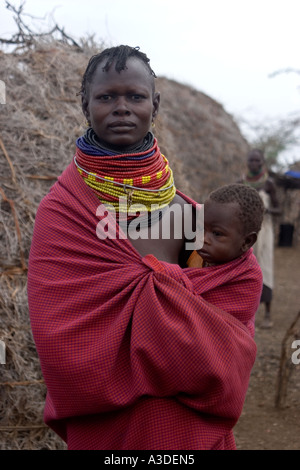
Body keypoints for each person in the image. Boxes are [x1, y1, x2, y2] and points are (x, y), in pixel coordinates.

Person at [27, 45, 257, 451]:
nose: (121, 107)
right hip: (110, 429)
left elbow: (231, 321)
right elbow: (60, 338)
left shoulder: (187, 213)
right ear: (85, 104)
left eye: (135, 96)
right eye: (106, 97)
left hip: (190, 425)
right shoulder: (62, 214)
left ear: (156, 104)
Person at [184, 183, 264, 338]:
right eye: (200, 228)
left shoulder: (248, 278)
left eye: (217, 233)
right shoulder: (196, 254)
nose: (203, 239)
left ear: (247, 241)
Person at [240, 149, 281, 328]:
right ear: (247, 162)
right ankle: (248, 312)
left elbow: (279, 209)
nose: (254, 164)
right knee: (247, 267)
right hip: (246, 232)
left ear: (262, 162)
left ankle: (268, 314)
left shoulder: (269, 184)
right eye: (251, 161)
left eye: (257, 161)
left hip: (265, 231)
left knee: (265, 266)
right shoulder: (241, 183)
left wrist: (268, 210)